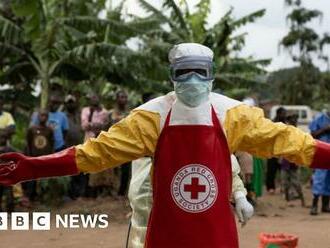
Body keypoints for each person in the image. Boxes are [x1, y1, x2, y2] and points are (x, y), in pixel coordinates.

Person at [1, 43, 330, 248]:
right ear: (172, 75)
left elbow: (289, 142)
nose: (192, 80)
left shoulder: (233, 115)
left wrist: (241, 193)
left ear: (212, 74)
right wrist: (34, 167)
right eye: (183, 72)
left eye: (199, 73)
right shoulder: (150, 118)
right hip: (164, 234)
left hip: (216, 236)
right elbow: (95, 154)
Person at [81, 93, 109, 197]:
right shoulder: (86, 111)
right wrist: (95, 125)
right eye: (92, 98)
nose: (94, 100)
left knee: (98, 165)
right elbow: (84, 126)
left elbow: (105, 126)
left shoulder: (104, 112)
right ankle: (87, 191)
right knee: (87, 165)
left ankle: (99, 190)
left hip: (100, 141)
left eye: (95, 97)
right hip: (88, 141)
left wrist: (93, 125)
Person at [23, 109, 54, 202]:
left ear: (47, 117)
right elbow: (28, 144)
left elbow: (51, 143)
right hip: (33, 158)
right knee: (32, 180)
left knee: (44, 179)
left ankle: (43, 197)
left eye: (45, 115)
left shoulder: (49, 130)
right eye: (41, 115)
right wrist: (29, 157)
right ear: (38, 116)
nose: (43, 117)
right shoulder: (32, 129)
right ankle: (30, 197)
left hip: (45, 159)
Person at [109, 90, 131, 196]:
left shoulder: (131, 112)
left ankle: (122, 192)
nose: (124, 99)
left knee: (126, 170)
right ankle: (112, 190)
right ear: (117, 99)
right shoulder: (112, 113)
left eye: (125, 97)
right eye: (121, 97)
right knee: (114, 169)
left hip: (127, 144)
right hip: (115, 143)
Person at [64, 95, 86, 199]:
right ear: (65, 104)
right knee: (70, 171)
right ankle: (71, 194)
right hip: (68, 147)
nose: (71, 104)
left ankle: (81, 193)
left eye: (72, 102)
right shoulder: (63, 116)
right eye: (69, 102)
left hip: (81, 147)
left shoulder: (80, 115)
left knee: (81, 171)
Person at [280, 114, 305, 206]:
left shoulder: (299, 133)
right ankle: (287, 199)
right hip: (286, 160)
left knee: (296, 183)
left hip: (294, 161)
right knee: (285, 182)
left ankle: (302, 200)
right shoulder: (285, 132)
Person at [309, 110, 330, 215]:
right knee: (319, 178)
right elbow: (312, 134)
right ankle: (314, 206)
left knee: (328, 181)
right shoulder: (319, 118)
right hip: (321, 152)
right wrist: (325, 129)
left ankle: (325, 206)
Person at [266, 107, 287, 193]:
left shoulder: (285, 123)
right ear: (278, 114)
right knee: (271, 170)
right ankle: (271, 187)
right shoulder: (272, 123)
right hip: (272, 150)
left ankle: (283, 187)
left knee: (282, 169)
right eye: (283, 113)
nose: (284, 115)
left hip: (282, 150)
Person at [0, 130, 15, 212]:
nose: (2, 140)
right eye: (1, 138)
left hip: (7, 176)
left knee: (9, 195)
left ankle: (10, 211)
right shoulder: (9, 148)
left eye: (4, 138)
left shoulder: (9, 149)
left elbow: (19, 155)